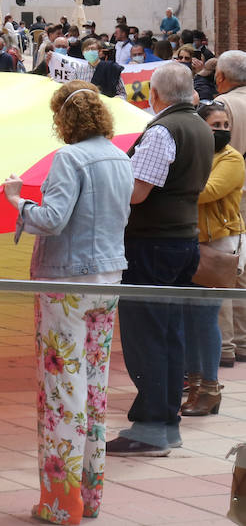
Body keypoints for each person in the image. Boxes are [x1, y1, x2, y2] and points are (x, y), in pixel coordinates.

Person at [1, 81, 133, 523]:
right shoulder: (119, 157)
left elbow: (53, 220)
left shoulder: (70, 158)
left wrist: (18, 201)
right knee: (94, 386)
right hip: (108, 278)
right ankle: (89, 496)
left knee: (62, 390)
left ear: (65, 119)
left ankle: (61, 503)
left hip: (67, 283)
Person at [108, 61, 214, 456]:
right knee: (169, 333)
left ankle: (151, 426)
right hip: (182, 239)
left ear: (154, 94)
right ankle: (165, 422)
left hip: (153, 243)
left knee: (147, 335)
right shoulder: (201, 126)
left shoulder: (163, 130)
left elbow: (137, 192)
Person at [181, 101, 243, 419]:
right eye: (214, 125)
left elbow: (207, 190)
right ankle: (194, 386)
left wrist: (174, 176)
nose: (221, 131)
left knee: (205, 318)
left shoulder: (231, 159)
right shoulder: (196, 154)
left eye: (224, 125)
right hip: (190, 242)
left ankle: (209, 388)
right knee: (189, 319)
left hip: (217, 246)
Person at [214, 51, 246, 368]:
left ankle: (225, 344)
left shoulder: (225, 106)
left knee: (224, 266)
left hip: (230, 196)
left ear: (221, 76)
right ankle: (244, 339)